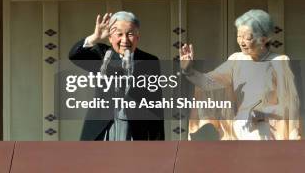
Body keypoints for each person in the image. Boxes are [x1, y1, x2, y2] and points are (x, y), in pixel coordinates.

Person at [180, 9, 301, 140]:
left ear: (264, 39)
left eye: (247, 38)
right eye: (239, 36)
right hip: (239, 131)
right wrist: (189, 71)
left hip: (265, 132)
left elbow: (290, 105)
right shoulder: (236, 60)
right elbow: (209, 84)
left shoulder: (279, 62)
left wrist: (264, 114)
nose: (241, 42)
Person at [69, 11, 165, 141]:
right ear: (110, 37)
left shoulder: (150, 61)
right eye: (119, 34)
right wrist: (95, 36)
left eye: (130, 34)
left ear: (138, 36)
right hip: (102, 128)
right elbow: (75, 55)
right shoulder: (101, 54)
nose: (124, 40)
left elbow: (155, 105)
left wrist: (158, 145)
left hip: (134, 129)